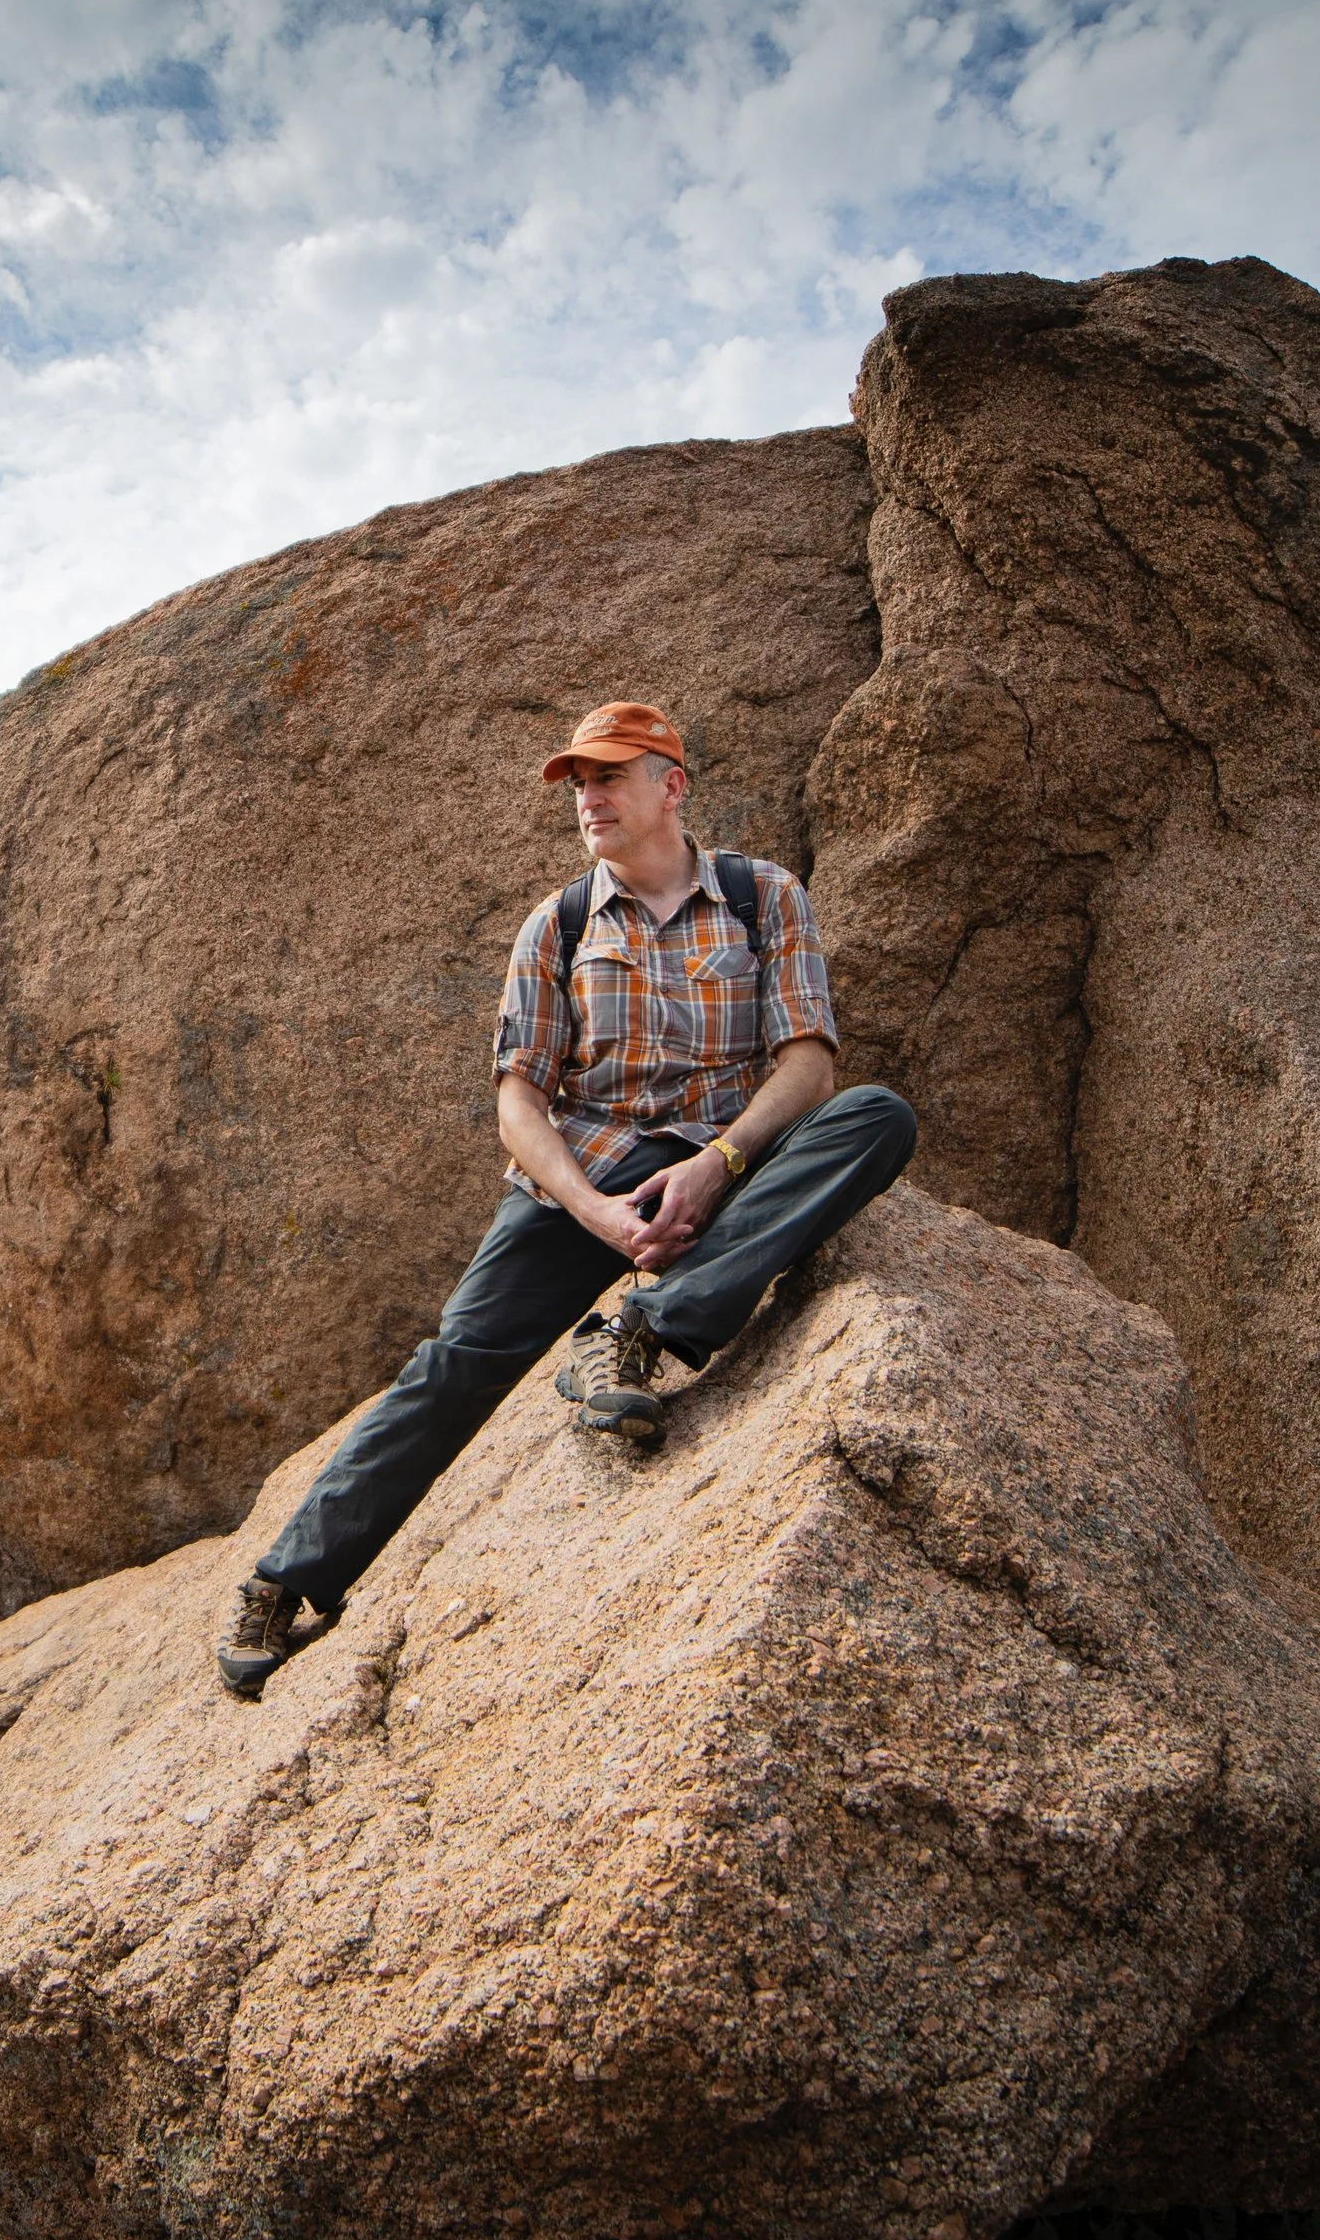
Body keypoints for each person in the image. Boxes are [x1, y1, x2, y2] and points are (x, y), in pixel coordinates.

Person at [215, 700, 917, 1695]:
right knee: (453, 1362)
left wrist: (718, 1161)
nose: (587, 797)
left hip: (720, 1170)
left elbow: (807, 1062)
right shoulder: (559, 922)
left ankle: (641, 1331)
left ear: (670, 784)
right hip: (582, 1183)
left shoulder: (766, 898)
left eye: (608, 776)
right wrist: (590, 1208)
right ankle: (285, 1583)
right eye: (576, 783)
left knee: (875, 1116)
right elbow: (517, 1101)